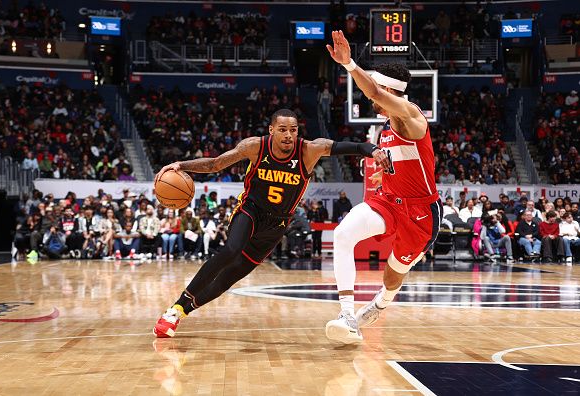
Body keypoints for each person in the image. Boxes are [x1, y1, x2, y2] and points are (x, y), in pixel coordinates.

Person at [152, 108, 385, 338]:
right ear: (271, 130)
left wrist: (374, 150)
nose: (288, 135)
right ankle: (174, 308)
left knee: (231, 276)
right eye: (282, 130)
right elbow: (215, 164)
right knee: (230, 251)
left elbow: (353, 147)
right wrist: (182, 165)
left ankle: (181, 312)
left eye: (293, 130)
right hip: (251, 210)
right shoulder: (255, 146)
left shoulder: (309, 150)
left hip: (278, 224)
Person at [324, 30, 442, 344]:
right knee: (342, 233)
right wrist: (383, 175)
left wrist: (349, 64)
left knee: (392, 276)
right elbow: (396, 160)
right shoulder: (386, 127)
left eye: (377, 93)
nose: (370, 101)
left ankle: (380, 304)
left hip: (420, 214)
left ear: (390, 90)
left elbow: (374, 92)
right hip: (388, 201)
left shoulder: (409, 115)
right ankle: (347, 316)